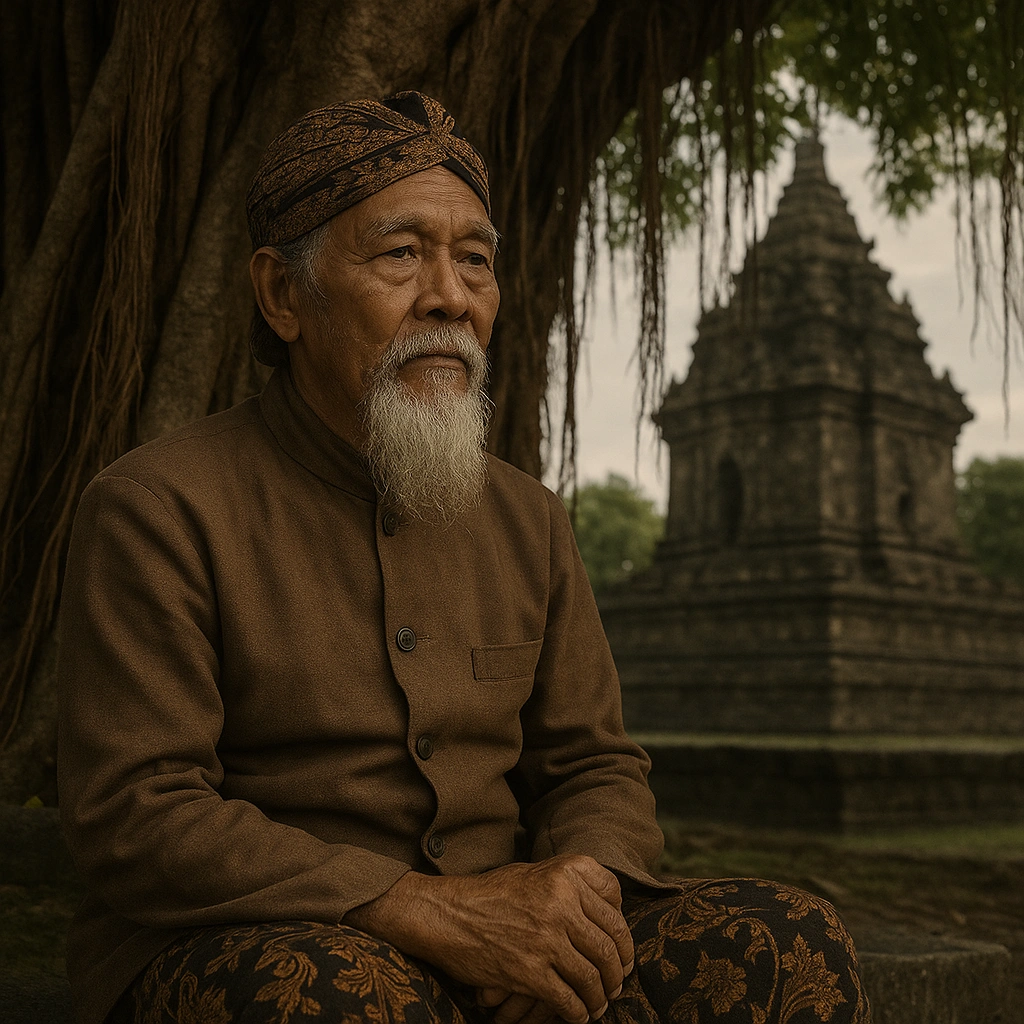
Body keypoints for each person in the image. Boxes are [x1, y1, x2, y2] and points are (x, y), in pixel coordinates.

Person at [58, 92, 871, 1024]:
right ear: (284, 295)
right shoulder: (160, 507)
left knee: (791, 941)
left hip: (511, 939)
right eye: (401, 254)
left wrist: (576, 911)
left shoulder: (531, 520)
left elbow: (595, 768)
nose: (449, 295)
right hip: (273, 940)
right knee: (330, 1000)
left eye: (475, 260)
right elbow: (138, 809)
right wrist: (432, 914)